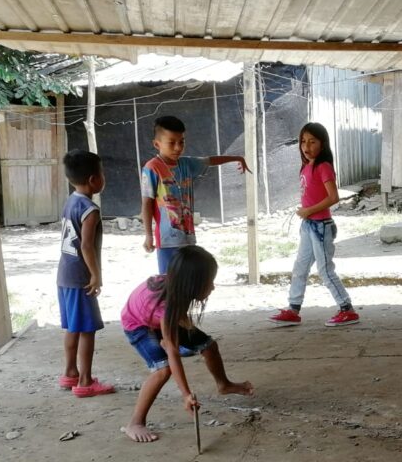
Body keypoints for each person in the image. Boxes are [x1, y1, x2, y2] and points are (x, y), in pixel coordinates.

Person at [120, 245, 254, 443]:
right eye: (208, 282)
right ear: (192, 284)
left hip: (160, 317)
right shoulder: (166, 307)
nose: (213, 287)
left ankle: (224, 385)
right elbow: (173, 352)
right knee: (163, 369)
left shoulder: (177, 286)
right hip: (137, 324)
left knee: (208, 346)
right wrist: (186, 394)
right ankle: (135, 422)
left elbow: (174, 325)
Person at [268, 122, 360, 328]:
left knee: (325, 270)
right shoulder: (306, 166)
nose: (306, 146)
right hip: (309, 226)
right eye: (303, 141)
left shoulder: (323, 166)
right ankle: (293, 309)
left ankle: (347, 310)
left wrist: (308, 210)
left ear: (322, 144)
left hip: (321, 227)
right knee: (300, 268)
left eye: (312, 142)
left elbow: (333, 197)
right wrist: (307, 212)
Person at [141, 115, 249, 274]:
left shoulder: (187, 164)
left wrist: (237, 158)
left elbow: (210, 160)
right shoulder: (151, 168)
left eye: (181, 142)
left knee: (188, 280)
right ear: (157, 144)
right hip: (167, 240)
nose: (178, 147)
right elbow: (147, 204)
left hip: (188, 238)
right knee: (168, 280)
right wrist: (148, 235)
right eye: (171, 142)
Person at [58, 151, 116, 398]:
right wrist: (95, 275)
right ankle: (85, 381)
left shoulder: (70, 201)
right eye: (102, 174)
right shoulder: (90, 209)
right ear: (93, 179)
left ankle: (70, 372)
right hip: (81, 277)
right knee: (87, 330)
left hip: (64, 274)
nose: (104, 178)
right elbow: (86, 246)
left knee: (73, 327)